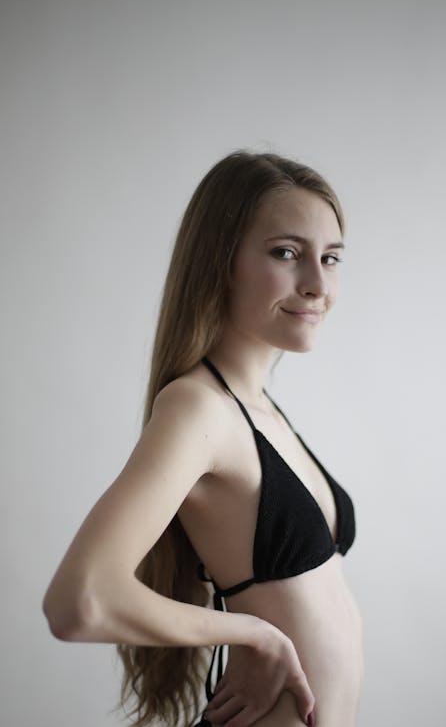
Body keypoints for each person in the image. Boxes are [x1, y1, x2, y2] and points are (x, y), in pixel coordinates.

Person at [42, 149, 363, 727]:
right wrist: (257, 636)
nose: (317, 284)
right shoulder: (198, 408)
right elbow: (79, 600)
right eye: (287, 253)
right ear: (221, 261)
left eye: (331, 258)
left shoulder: (261, 408)